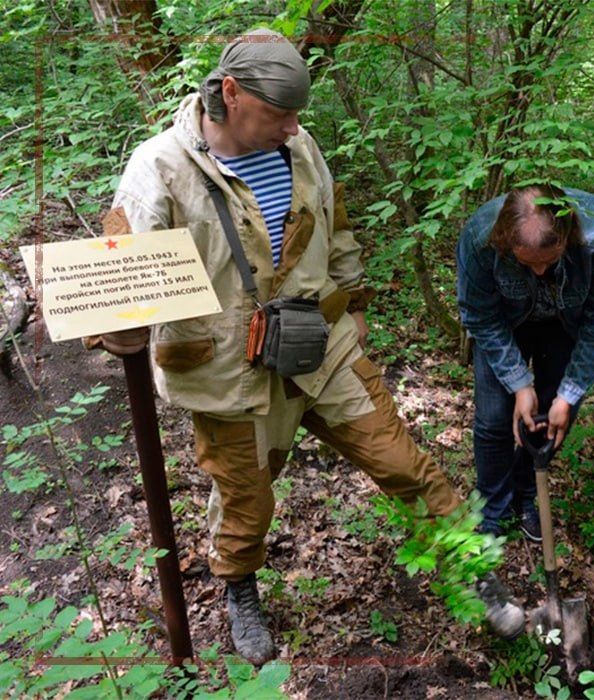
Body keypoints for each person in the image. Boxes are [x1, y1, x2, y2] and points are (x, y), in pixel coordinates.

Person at [85, 28, 524, 665]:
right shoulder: (159, 168)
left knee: (402, 462)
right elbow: (122, 277)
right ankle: (238, 585)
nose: (293, 128)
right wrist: (121, 328)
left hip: (322, 347)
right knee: (246, 500)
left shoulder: (300, 146)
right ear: (230, 94)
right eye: (279, 114)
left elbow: (334, 225)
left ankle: (474, 572)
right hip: (227, 372)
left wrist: (354, 300)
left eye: (297, 115)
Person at [457, 185, 594, 539]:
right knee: (492, 421)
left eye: (549, 260)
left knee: (552, 419)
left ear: (567, 237)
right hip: (506, 323)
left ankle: (525, 494)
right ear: (505, 242)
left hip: (568, 325)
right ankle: (493, 510)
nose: (538, 271)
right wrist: (519, 383)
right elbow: (479, 314)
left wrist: (567, 395)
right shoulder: (480, 239)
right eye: (526, 262)